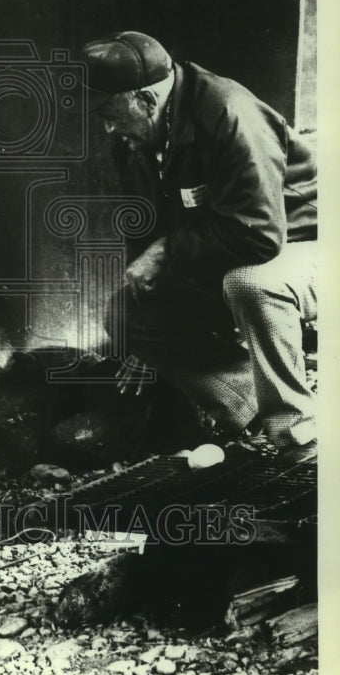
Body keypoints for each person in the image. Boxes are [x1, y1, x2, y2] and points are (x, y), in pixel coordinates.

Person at [81, 31, 317, 462]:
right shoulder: (135, 139)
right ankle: (246, 405)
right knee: (126, 312)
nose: (107, 128)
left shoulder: (229, 112)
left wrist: (168, 250)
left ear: (148, 102)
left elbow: (262, 234)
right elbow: (147, 235)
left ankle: (296, 434)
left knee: (250, 284)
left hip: (305, 243)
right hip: (230, 251)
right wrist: (147, 342)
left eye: (110, 114)